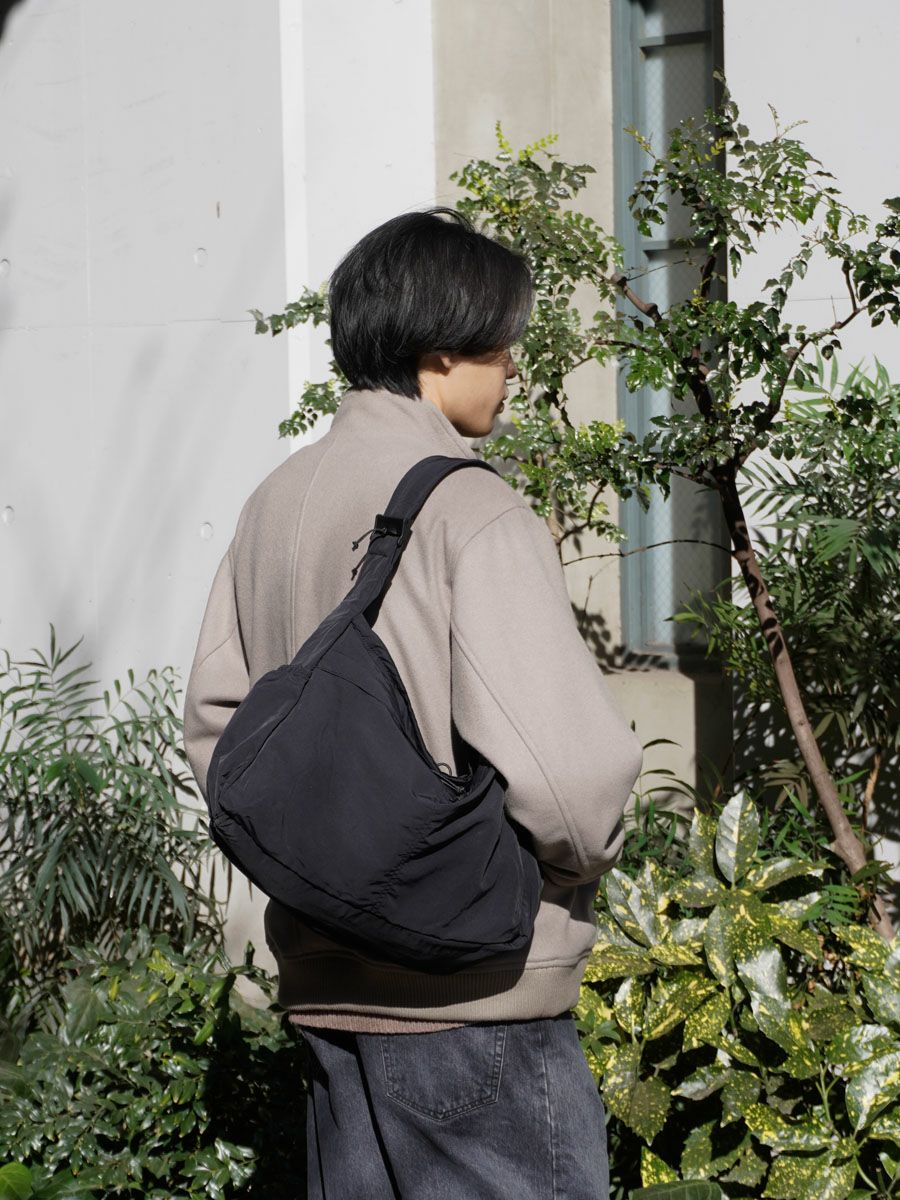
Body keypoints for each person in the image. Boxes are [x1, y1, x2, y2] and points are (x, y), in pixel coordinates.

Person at [183, 207, 643, 1199]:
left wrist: (331, 869)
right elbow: (573, 784)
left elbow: (221, 728)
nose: (514, 367)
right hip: (475, 998)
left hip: (327, 990)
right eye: (501, 344)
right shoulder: (470, 508)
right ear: (440, 354)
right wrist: (561, 868)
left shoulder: (274, 502)